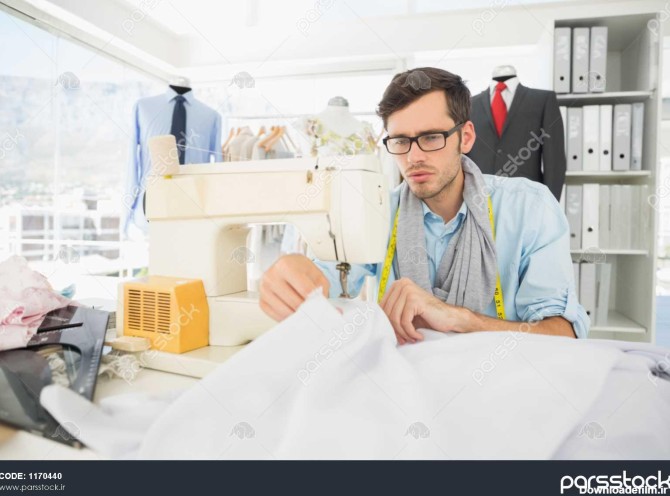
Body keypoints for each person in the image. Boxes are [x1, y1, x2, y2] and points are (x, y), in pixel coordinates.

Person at [259, 67, 589, 344]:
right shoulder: (377, 213)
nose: (414, 156)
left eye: (431, 137)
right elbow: (329, 275)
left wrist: (460, 319)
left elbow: (564, 335)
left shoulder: (530, 208)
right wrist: (297, 273)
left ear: (466, 137)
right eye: (400, 141)